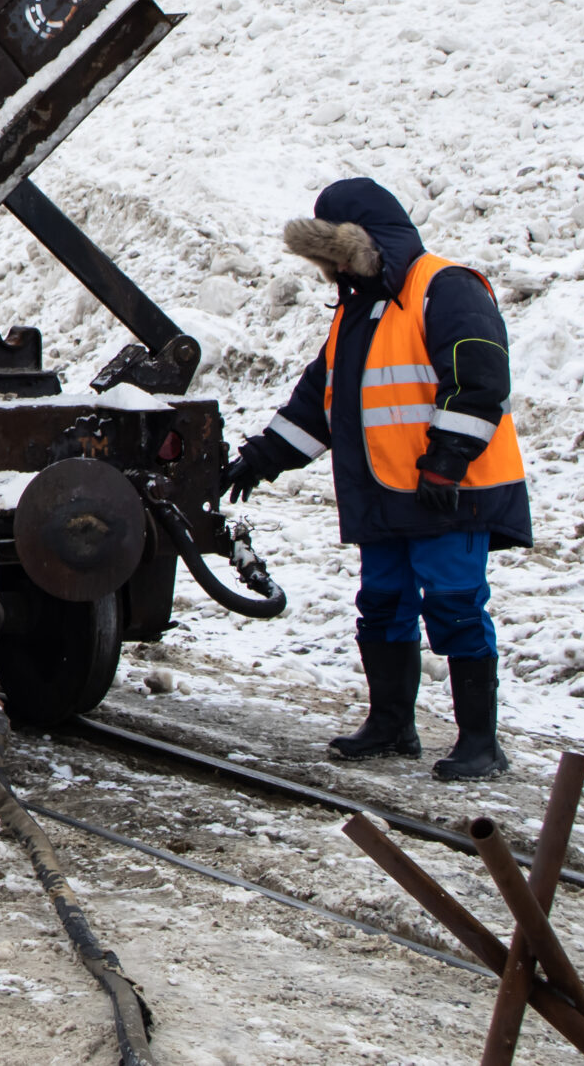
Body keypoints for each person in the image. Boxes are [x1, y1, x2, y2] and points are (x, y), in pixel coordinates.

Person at [223, 178, 530, 780]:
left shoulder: (445, 287)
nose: (333, 269)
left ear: (366, 244)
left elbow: (480, 377)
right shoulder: (357, 312)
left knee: (455, 607)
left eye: (338, 254)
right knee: (382, 606)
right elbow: (321, 404)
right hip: (387, 495)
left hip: (450, 491)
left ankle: (481, 744)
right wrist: (261, 458)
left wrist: (447, 459)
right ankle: (392, 725)